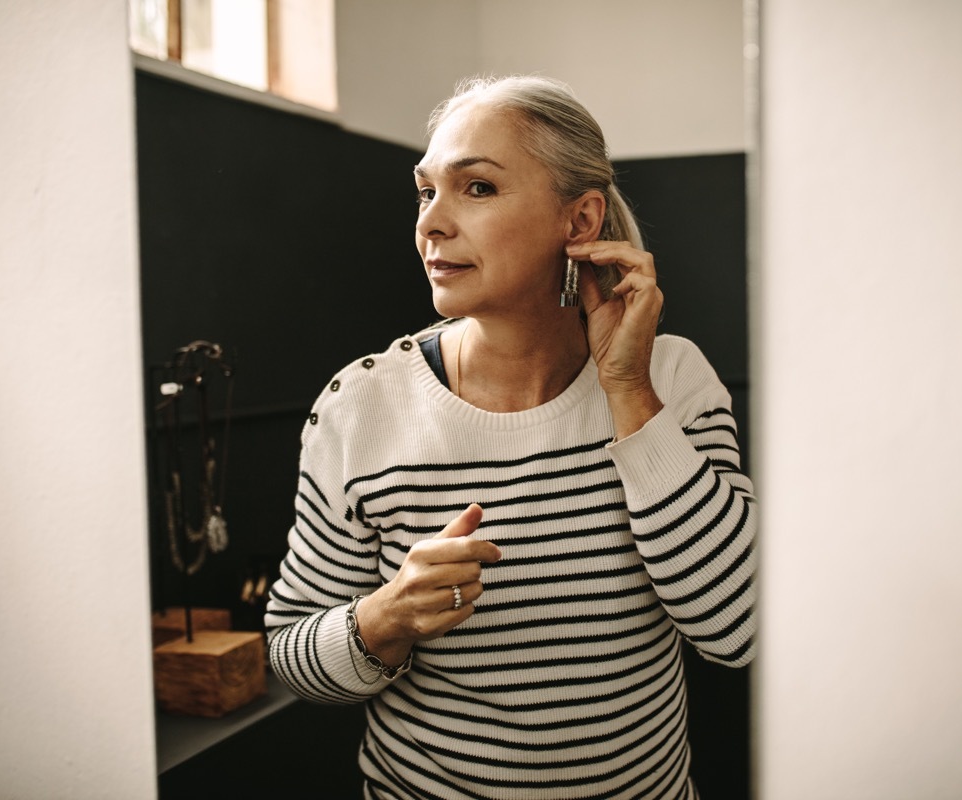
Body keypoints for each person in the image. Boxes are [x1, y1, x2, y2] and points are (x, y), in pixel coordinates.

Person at [265, 75, 757, 800]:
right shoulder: (360, 407)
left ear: (580, 220)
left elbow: (740, 627)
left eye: (478, 188)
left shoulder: (671, 380)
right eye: (425, 192)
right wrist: (384, 619)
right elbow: (290, 658)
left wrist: (628, 389)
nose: (431, 224)